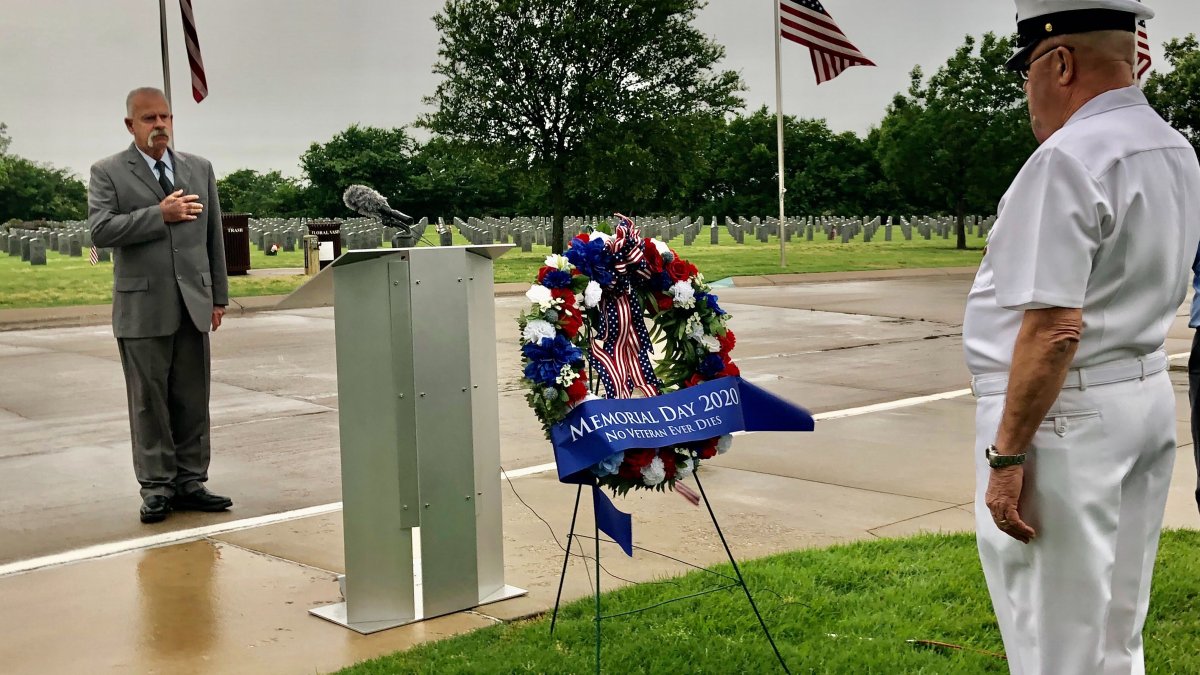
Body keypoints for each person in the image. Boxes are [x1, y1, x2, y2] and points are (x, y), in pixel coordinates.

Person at [962, 1, 1200, 672]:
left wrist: (1006, 459)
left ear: (1059, 60)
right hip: (1142, 395)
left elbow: (1053, 327)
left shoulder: (1066, 158)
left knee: (1054, 642)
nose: (1028, 92)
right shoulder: (1174, 147)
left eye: (1029, 70)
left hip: (1064, 417)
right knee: (1117, 637)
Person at [89, 87, 233, 524]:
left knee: (192, 399)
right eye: (149, 119)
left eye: (165, 117)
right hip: (143, 309)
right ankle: (156, 487)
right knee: (149, 403)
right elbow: (100, 230)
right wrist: (159, 214)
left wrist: (219, 297)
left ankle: (191, 481)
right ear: (130, 124)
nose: (160, 126)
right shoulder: (108, 172)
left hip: (194, 303)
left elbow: (214, 238)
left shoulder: (198, 168)